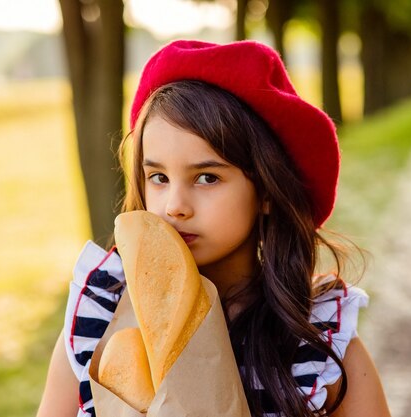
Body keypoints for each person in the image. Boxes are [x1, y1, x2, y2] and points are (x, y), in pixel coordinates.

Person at [37, 40, 390, 417]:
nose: (174, 205)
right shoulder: (99, 316)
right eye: (158, 177)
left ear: (267, 190)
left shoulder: (319, 343)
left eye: (206, 177)